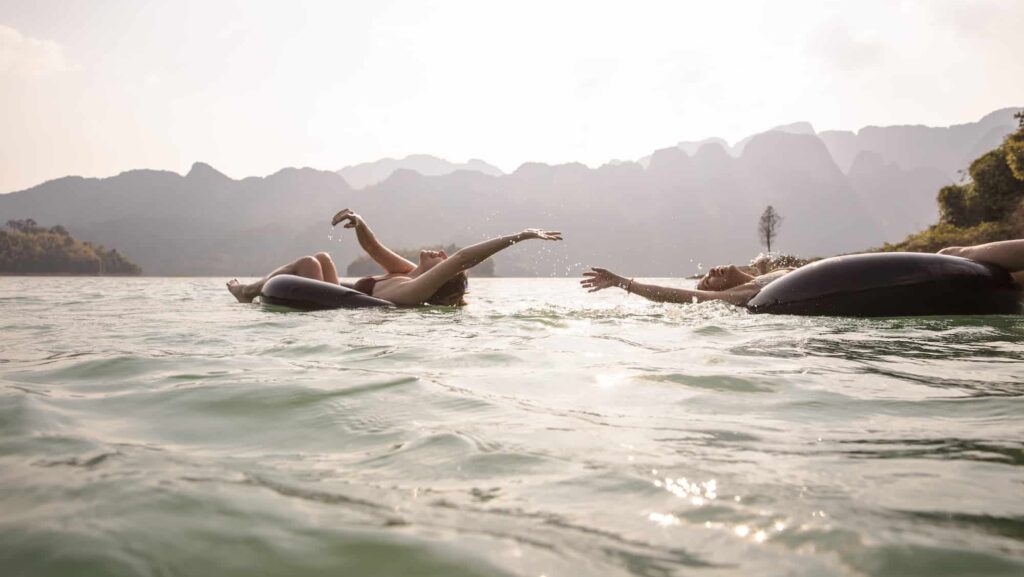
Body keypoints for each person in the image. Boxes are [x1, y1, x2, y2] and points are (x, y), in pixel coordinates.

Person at [227, 208, 562, 306]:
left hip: (330, 308)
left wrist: (522, 235)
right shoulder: (408, 273)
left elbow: (462, 259)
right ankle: (249, 291)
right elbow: (373, 249)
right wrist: (359, 221)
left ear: (441, 273)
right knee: (322, 258)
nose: (440, 254)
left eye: (441, 261)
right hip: (338, 298)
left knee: (310, 265)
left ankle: (248, 292)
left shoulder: (411, 290)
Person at [580, 239, 1024, 306]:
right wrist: (625, 283)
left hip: (919, 269)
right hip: (887, 284)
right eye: (709, 278)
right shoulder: (749, 294)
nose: (712, 273)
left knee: (953, 251)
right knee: (957, 254)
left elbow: (758, 261)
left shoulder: (764, 268)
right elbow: (684, 298)